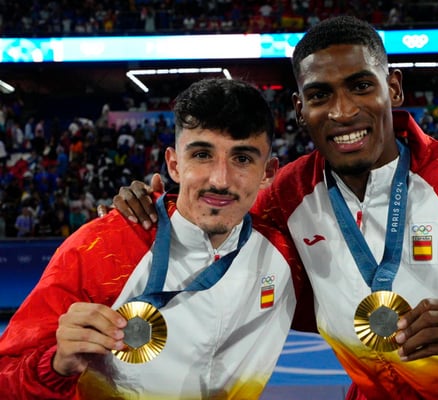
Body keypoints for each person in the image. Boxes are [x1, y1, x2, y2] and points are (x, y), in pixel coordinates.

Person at [110, 16, 438, 399]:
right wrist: (156, 206)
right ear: (300, 108)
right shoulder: (287, 196)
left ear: (393, 88)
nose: (342, 112)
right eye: (320, 95)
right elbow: (219, 229)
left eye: (361, 86)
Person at [0, 78, 310, 399]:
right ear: (174, 164)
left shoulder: (286, 256)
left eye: (242, 158)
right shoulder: (100, 248)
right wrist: (55, 367)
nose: (220, 179)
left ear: (268, 172)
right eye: (202, 155)